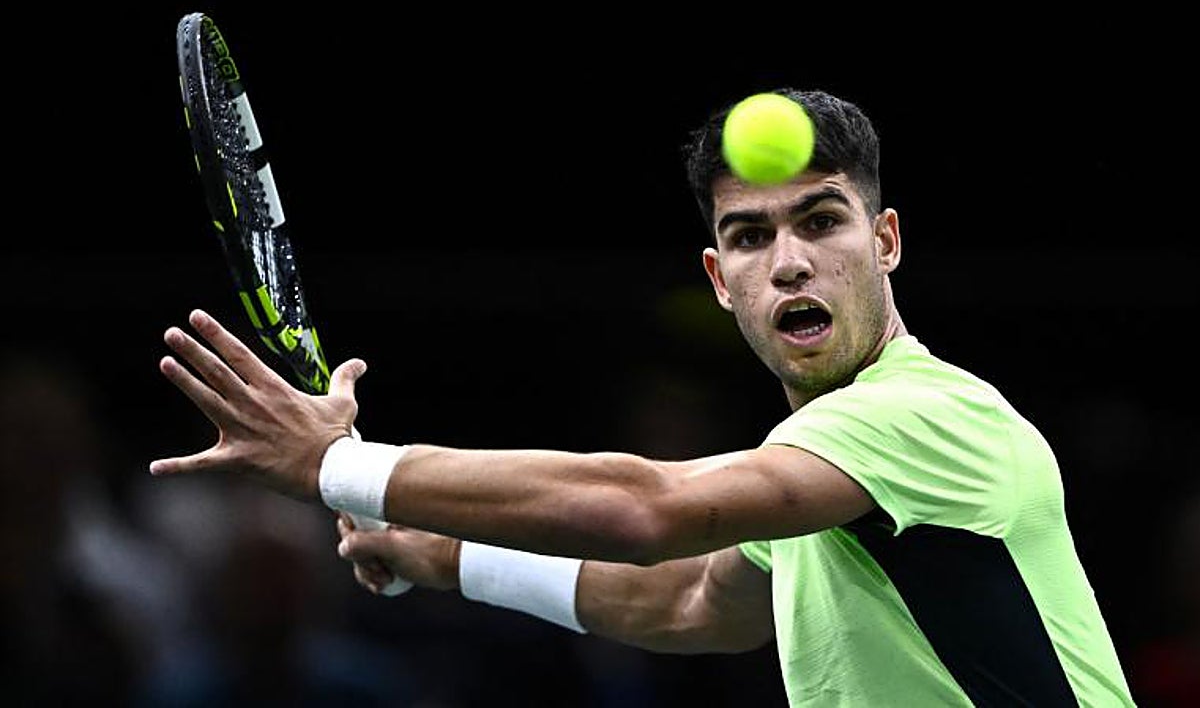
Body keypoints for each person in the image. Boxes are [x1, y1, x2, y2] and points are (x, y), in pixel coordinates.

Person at [149, 88, 1135, 706]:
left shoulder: (929, 417)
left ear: (885, 243)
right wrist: (453, 556)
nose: (789, 260)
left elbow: (645, 510)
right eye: (751, 236)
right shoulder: (817, 473)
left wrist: (337, 467)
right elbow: (697, 599)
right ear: (719, 277)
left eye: (822, 221)